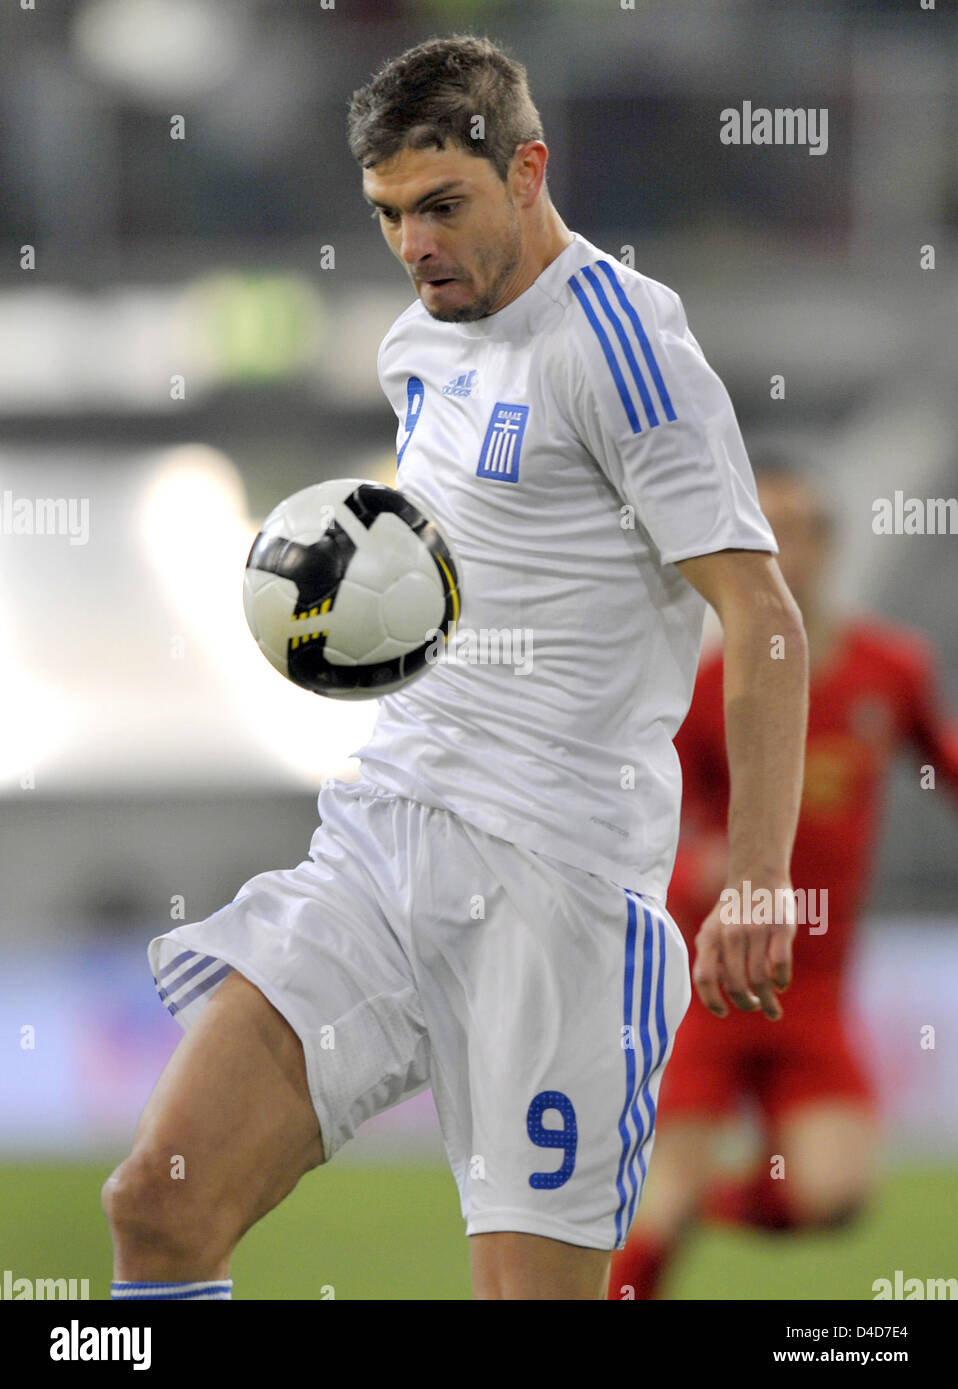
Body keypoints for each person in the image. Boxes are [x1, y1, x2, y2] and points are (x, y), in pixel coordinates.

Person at [101, 34, 808, 1302]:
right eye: (387, 216)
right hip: (385, 836)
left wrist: (756, 879)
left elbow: (761, 618)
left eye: (443, 206)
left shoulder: (626, 351)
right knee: (158, 1206)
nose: (415, 244)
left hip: (559, 890)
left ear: (526, 169)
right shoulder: (414, 348)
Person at [609, 464, 958, 1300]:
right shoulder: (703, 690)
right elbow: (652, 822)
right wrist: (698, 866)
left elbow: (943, 766)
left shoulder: (890, 669)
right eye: (762, 529)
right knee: (661, 1201)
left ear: (827, 544)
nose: (781, 547)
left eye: (797, 526)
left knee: (833, 1197)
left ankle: (693, 1209)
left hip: (817, 990)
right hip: (717, 979)